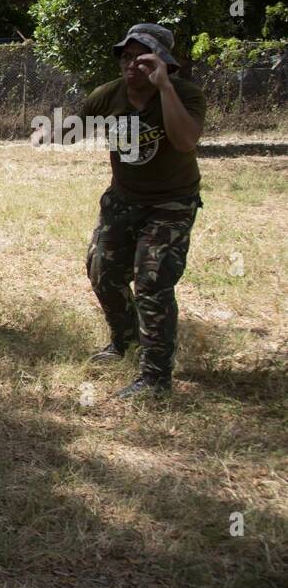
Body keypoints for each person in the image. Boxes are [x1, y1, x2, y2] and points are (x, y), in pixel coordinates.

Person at [36, 23, 206, 399]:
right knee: (103, 273)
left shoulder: (184, 95)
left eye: (142, 58)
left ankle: (156, 378)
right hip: (123, 199)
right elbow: (75, 131)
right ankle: (125, 340)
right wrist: (48, 130)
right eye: (126, 57)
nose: (131, 65)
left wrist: (164, 89)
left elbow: (185, 140)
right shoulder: (108, 96)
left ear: (163, 63)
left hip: (171, 202)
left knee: (152, 279)